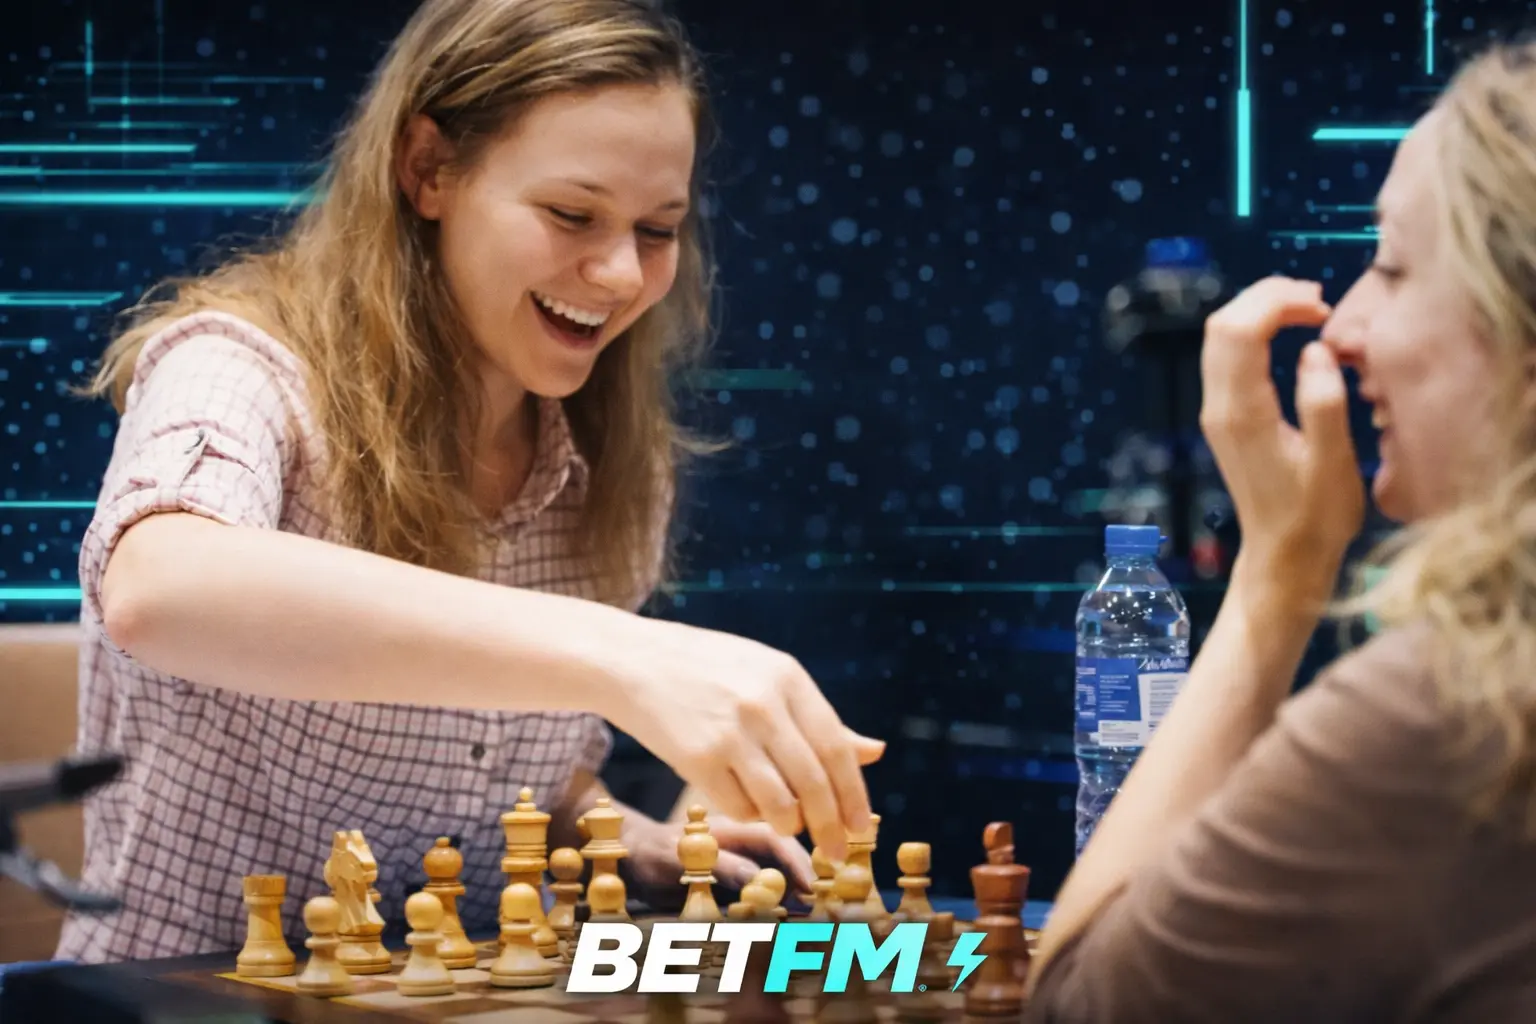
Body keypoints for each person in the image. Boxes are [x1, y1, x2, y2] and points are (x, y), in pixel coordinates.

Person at [56, 0, 883, 964]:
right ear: (427, 170)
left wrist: (630, 840)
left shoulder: (612, 462)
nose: (621, 274)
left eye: (658, 229)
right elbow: (158, 589)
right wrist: (621, 654)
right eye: (571, 214)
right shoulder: (238, 364)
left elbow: (503, 776)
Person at [1025, 38, 1536, 1022]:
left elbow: (1079, 1009)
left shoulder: (1461, 721)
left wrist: (1278, 579)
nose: (1342, 326)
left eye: (1393, 265)